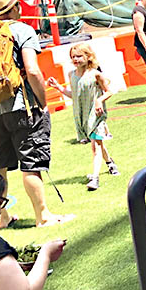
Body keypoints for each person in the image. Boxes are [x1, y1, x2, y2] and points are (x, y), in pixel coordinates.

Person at [0, 0, 71, 229]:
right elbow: (32, 70)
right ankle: (42, 215)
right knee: (31, 162)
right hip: (23, 106)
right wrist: (43, 102)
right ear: (16, 8)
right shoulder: (22, 30)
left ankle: (1, 217)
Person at [46, 44, 117, 191]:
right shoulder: (72, 75)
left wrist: (99, 100)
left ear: (88, 56)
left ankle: (95, 178)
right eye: (73, 57)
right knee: (98, 143)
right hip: (81, 116)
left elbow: (109, 91)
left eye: (79, 56)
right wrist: (59, 87)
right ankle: (110, 163)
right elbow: (75, 95)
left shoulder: (96, 74)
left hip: (95, 115)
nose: (75, 59)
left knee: (95, 146)